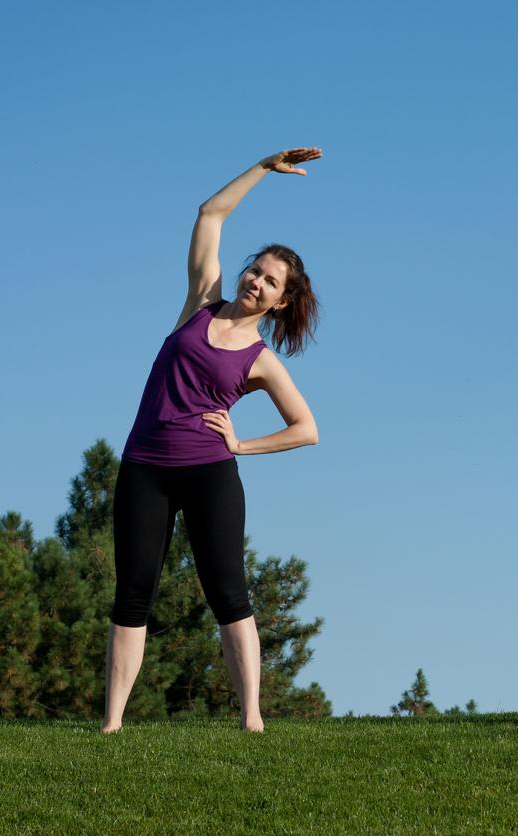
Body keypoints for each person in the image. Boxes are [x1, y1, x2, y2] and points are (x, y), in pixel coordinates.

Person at [102, 148, 324, 733]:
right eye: (256, 270)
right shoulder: (201, 303)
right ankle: (112, 724)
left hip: (209, 474)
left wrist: (242, 446)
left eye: (270, 282)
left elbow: (307, 429)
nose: (257, 281)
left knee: (229, 594)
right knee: (133, 594)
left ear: (280, 301)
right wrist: (264, 168)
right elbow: (210, 214)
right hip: (144, 466)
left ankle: (252, 718)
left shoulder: (262, 360)